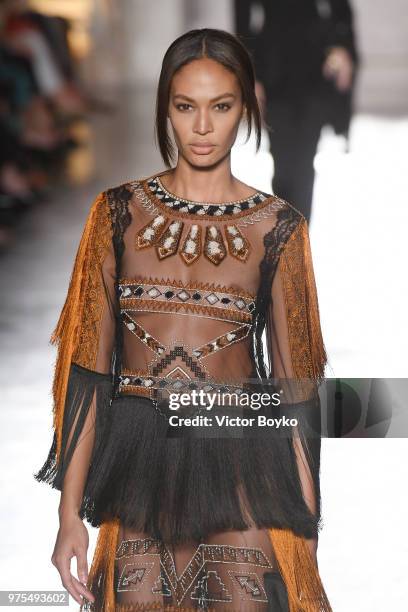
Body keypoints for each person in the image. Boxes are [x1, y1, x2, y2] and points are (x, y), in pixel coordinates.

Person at [34, 28, 331, 611]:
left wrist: (305, 532)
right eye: (185, 106)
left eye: (220, 107)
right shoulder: (115, 215)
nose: (202, 127)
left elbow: (297, 394)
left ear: (246, 108)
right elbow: (89, 373)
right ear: (164, 109)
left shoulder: (279, 229)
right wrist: (70, 515)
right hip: (140, 466)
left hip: (245, 461)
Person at [234, 0, 359, 223]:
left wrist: (341, 47)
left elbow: (341, 10)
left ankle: (297, 239)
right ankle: (289, 235)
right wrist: (251, 74)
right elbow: (242, 21)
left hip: (315, 68)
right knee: (283, 162)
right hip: (274, 72)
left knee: (304, 160)